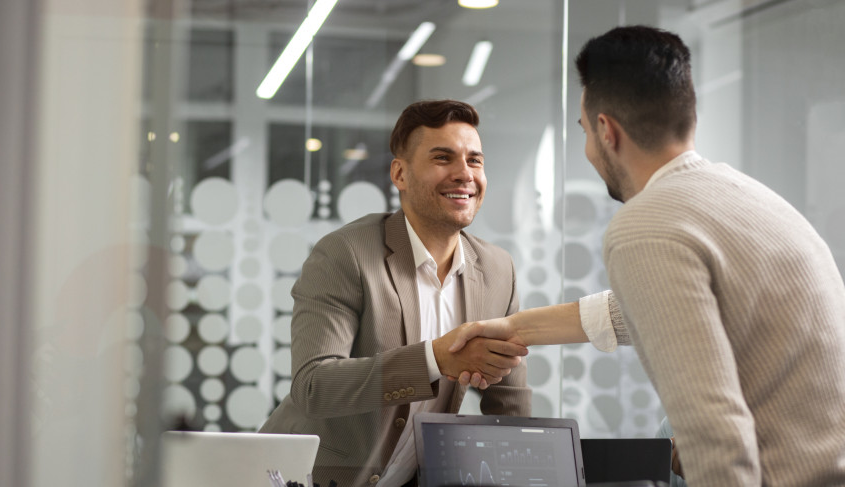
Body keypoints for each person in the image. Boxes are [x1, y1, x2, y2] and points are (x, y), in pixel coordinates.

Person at [448, 25, 845, 486]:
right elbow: (647, 308)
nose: (587, 151)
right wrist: (516, 329)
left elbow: (711, 426)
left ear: (606, 130)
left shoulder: (647, 224)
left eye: (584, 132)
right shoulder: (749, 199)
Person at [259, 99, 532, 487]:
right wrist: (435, 359)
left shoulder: (497, 270)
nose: (464, 174)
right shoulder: (346, 253)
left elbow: (509, 403)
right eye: (443, 158)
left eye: (475, 160)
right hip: (302, 478)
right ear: (400, 174)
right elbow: (313, 385)